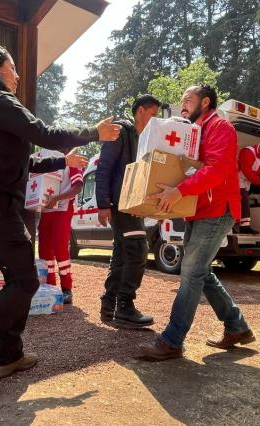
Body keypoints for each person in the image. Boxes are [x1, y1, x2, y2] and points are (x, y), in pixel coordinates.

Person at [0, 43, 120, 390]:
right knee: (27, 282)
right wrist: (94, 132)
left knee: (19, 278)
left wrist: (62, 162)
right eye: (13, 67)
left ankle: (9, 354)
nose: (17, 75)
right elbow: (44, 133)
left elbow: (23, 162)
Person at [138, 85, 255, 361]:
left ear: (205, 101)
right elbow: (189, 167)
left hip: (217, 210)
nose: (183, 106)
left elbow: (216, 170)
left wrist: (178, 192)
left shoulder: (220, 127)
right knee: (201, 272)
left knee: (191, 272)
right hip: (199, 210)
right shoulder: (193, 132)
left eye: (188, 100)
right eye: (181, 102)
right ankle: (237, 326)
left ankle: (172, 341)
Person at [95, 94, 161, 329]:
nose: (155, 120)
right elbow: (104, 167)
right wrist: (103, 204)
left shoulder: (143, 139)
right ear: (141, 110)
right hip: (120, 203)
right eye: (153, 114)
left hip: (132, 204)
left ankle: (109, 305)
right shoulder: (121, 131)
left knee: (123, 254)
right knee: (137, 249)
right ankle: (125, 307)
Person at [38, 148, 87, 304]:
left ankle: (66, 288)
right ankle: (49, 286)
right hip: (46, 209)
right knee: (44, 249)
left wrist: (58, 198)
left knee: (60, 247)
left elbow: (78, 187)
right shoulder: (47, 159)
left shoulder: (72, 160)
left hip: (63, 208)